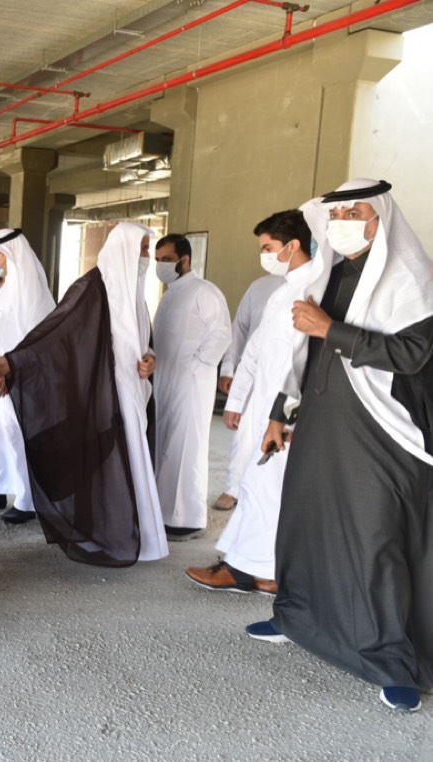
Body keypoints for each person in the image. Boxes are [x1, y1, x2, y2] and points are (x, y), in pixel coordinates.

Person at [246, 180, 433, 714]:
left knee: (375, 538)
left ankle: (390, 660)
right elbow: (304, 351)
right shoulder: (329, 273)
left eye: (356, 212)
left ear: (381, 218)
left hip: (381, 430)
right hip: (321, 421)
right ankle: (298, 618)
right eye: (338, 213)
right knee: (306, 524)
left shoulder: (410, 279)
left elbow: (414, 353)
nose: (345, 221)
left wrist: (332, 329)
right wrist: (280, 412)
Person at [0, 222, 167, 564]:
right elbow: (58, 333)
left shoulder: (134, 289)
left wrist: (150, 358)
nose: (146, 258)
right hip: (107, 389)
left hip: (134, 389)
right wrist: (14, 362)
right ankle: (116, 533)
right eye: (142, 250)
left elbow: (143, 339)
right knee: (112, 460)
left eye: (146, 251)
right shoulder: (94, 287)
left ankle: (143, 535)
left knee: (133, 458)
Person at [186, 210, 312, 595]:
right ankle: (251, 569)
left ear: (293, 245)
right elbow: (255, 348)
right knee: (258, 488)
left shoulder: (313, 289)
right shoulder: (281, 290)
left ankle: (253, 571)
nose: (264, 255)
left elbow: (305, 362)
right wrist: (237, 399)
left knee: (271, 492)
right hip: (264, 406)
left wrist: (285, 415)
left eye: (268, 247)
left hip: (286, 413)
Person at [152, 233, 231, 540]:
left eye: (167, 260)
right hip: (166, 380)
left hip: (192, 382)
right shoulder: (169, 294)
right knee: (167, 445)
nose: (161, 265)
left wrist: (196, 366)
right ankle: (165, 512)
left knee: (187, 446)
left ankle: (188, 519)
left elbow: (221, 333)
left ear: (185, 260)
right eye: (158, 260)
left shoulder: (204, 291)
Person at [0, 229, 56, 524]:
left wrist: (12, 368)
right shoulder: (9, 287)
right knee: (5, 434)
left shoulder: (31, 293)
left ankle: (28, 500)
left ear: (10, 255)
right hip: (0, 379)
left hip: (19, 380)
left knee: (20, 436)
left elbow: (38, 345)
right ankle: (4, 488)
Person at [213, 272, 285, 511]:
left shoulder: (313, 281)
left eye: (269, 251)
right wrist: (228, 368)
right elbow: (240, 329)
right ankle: (233, 488)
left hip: (287, 376)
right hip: (254, 373)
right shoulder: (260, 287)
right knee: (244, 433)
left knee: (282, 439)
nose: (267, 255)